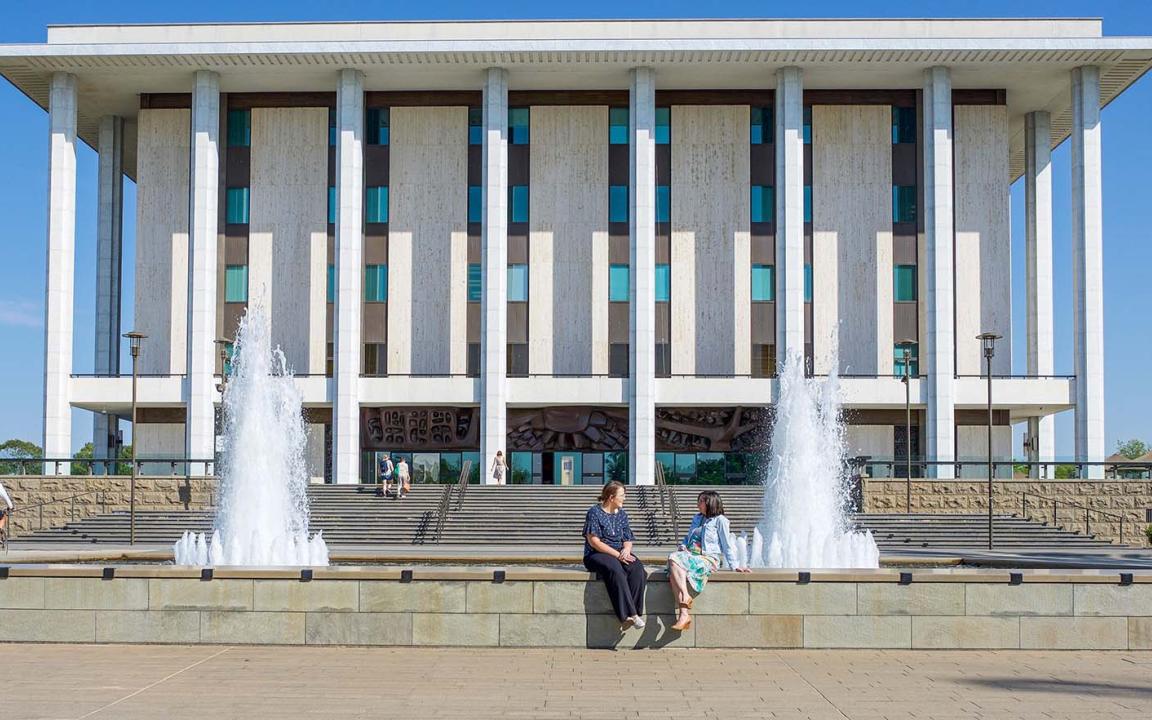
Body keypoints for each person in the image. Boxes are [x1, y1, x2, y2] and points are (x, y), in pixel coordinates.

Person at [666, 490, 750, 631]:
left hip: (707, 558)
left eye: (701, 501)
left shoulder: (720, 520)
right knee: (674, 563)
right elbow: (688, 538)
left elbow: (726, 544)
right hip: (690, 556)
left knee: (673, 560)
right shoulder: (697, 518)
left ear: (710, 503)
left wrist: (734, 566)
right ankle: (684, 613)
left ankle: (684, 609)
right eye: (698, 501)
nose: (698, 504)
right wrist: (683, 546)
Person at [583, 481, 646, 629]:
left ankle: (635, 611)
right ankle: (629, 615)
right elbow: (594, 542)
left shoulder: (622, 514)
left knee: (637, 568)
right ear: (611, 497)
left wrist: (626, 550)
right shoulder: (594, 513)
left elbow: (627, 538)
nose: (625, 498)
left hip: (619, 551)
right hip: (596, 554)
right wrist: (618, 555)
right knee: (615, 569)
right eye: (622, 495)